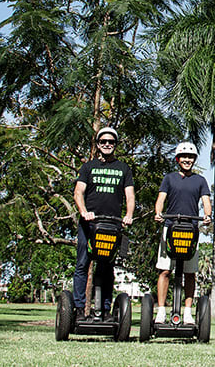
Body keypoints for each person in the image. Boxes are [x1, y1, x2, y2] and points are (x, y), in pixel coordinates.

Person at [73, 127, 135, 321]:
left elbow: (130, 195)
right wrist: (83, 212)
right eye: (103, 142)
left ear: (115, 145)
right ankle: (79, 309)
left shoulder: (123, 168)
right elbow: (78, 192)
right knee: (83, 264)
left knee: (106, 267)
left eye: (111, 142)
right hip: (89, 224)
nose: (107, 144)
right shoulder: (88, 167)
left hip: (111, 225)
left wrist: (129, 215)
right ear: (98, 144)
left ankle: (104, 310)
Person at [154, 142, 212, 324]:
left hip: (191, 229)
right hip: (170, 227)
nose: (187, 160)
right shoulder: (169, 178)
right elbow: (161, 199)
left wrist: (208, 215)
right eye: (184, 157)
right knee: (164, 270)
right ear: (178, 159)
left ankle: (187, 312)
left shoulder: (200, 181)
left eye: (191, 157)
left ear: (194, 160)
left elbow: (206, 201)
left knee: (190, 272)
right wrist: (158, 213)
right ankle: (162, 310)